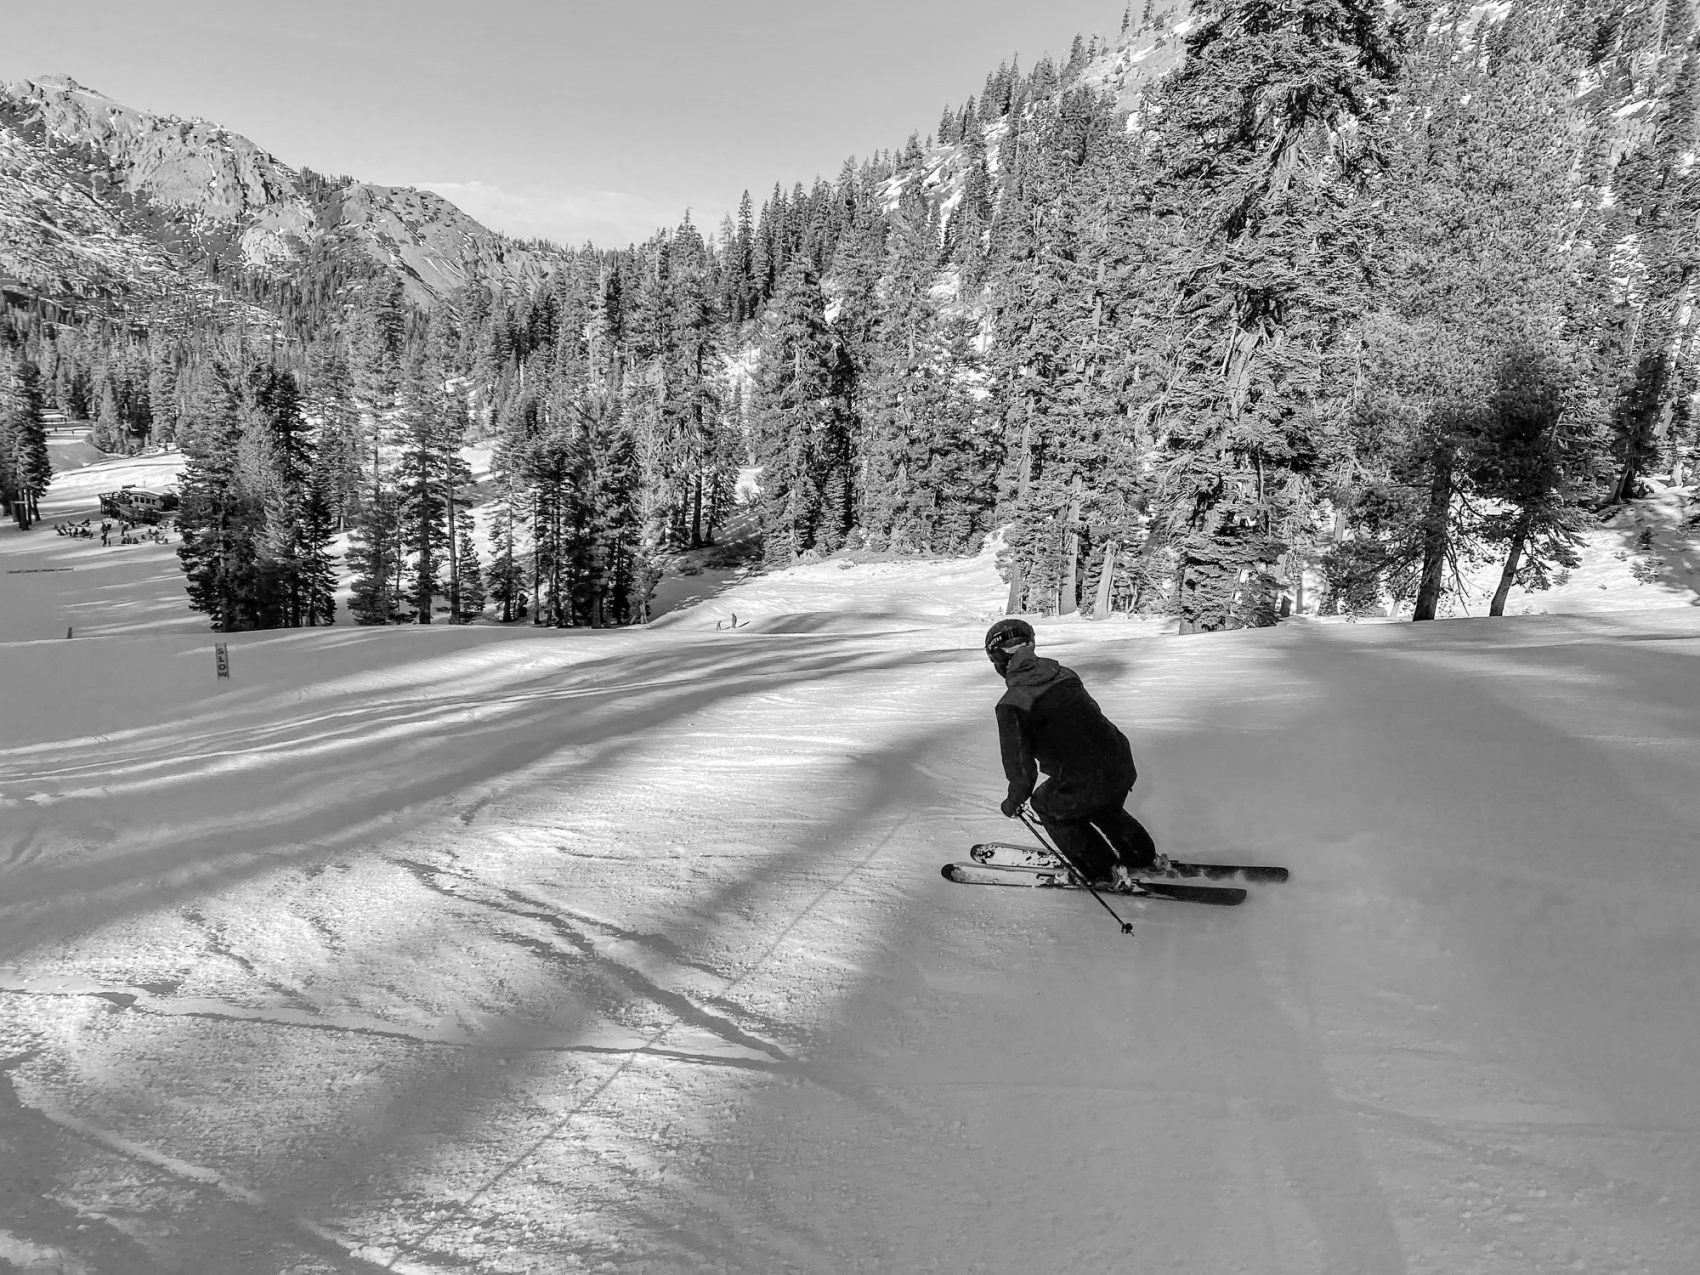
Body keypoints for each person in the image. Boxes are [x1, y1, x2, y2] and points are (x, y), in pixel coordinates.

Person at [984, 618, 1163, 888]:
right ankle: (1142, 857)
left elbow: (1020, 769)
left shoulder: (1012, 704)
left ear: (999, 661)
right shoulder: (1063, 673)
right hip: (1119, 761)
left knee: (1048, 805)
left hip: (1084, 776)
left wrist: (1013, 802)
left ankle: (1101, 872)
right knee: (1100, 805)